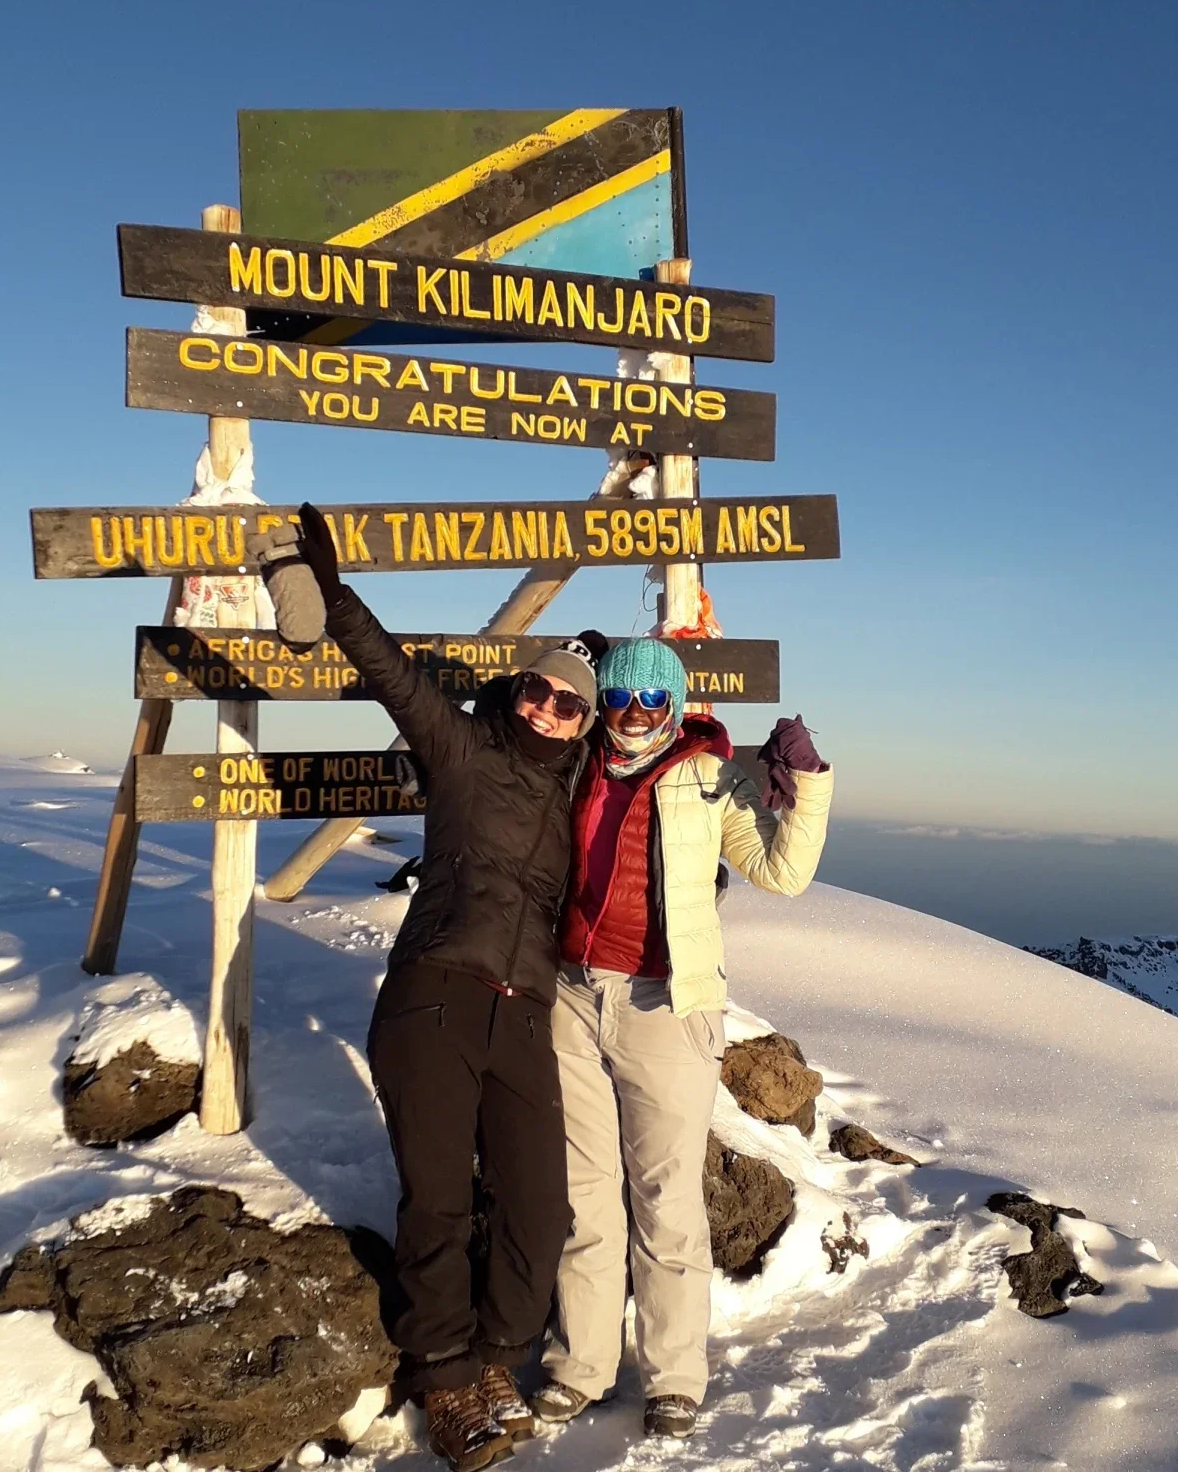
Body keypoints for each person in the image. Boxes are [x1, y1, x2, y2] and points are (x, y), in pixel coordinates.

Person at [269, 505, 606, 1472]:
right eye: (538, 690)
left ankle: (498, 1357)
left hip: (524, 1013)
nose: (547, 708)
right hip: (433, 997)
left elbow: (648, 762)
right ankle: (440, 1366)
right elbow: (393, 678)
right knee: (439, 1200)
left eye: (567, 702)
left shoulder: (577, 787)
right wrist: (331, 593)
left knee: (539, 1204)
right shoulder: (461, 751)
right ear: (517, 689)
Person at [530, 637, 833, 1440]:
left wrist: (805, 782)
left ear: (676, 704)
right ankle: (580, 1365)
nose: (634, 713)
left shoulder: (710, 779)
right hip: (568, 993)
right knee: (584, 1194)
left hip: (664, 1006)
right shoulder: (576, 763)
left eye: (652, 700)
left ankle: (673, 1376)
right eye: (620, 696)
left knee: (665, 1199)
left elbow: (781, 871)